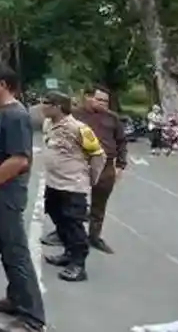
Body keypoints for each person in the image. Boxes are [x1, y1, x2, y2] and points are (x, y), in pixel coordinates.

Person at [0, 63, 46, 332]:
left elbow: (20, 159)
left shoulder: (16, 115)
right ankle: (16, 298)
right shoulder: (0, 113)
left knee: (16, 252)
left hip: (5, 191)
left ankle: (32, 319)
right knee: (5, 247)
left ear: (2, 85)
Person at [38, 91, 105, 283]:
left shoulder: (79, 128)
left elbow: (98, 155)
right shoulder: (48, 124)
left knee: (74, 224)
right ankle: (68, 252)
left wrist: (92, 179)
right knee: (59, 220)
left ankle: (78, 264)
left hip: (73, 185)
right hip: (54, 183)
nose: (43, 106)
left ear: (58, 106)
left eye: (46, 103)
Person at [71, 85, 127, 255]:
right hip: (80, 163)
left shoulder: (113, 118)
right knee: (73, 200)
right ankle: (68, 234)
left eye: (106, 101)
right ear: (88, 97)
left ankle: (94, 237)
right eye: (99, 99)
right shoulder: (75, 116)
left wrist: (120, 165)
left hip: (106, 165)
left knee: (99, 203)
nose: (103, 103)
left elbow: (121, 142)